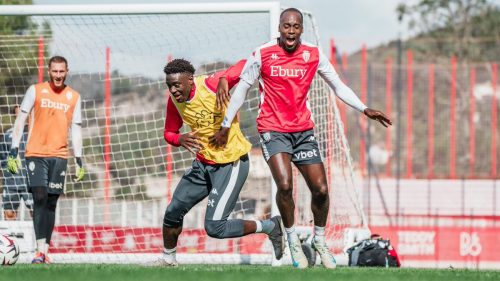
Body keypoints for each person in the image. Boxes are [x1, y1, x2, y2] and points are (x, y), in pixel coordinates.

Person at [211, 8, 392, 269]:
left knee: (321, 190)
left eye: (296, 27)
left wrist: (364, 108)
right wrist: (226, 124)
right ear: (280, 28)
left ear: (301, 29)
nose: (291, 31)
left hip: (303, 132)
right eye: (287, 26)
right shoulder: (262, 54)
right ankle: (292, 238)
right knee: (284, 186)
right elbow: (242, 89)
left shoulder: (313, 55)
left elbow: (337, 85)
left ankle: (319, 239)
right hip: (272, 130)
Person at [155, 58, 285, 266]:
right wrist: (179, 139)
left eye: (177, 85)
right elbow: (169, 132)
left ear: (190, 80)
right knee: (172, 211)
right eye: (169, 86)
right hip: (203, 164)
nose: (173, 90)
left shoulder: (210, 84)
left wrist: (226, 78)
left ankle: (270, 227)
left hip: (231, 163)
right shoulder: (174, 102)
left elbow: (248, 63)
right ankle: (168, 260)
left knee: (215, 228)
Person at [6, 56, 85, 264]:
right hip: (35, 153)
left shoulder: (74, 97)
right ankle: (39, 251)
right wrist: (14, 150)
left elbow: (76, 129)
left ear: (67, 71)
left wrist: (79, 159)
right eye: (54, 71)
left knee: (51, 202)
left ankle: (45, 251)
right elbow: (21, 118)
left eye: (62, 72)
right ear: (48, 71)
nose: (58, 75)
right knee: (39, 198)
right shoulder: (35, 90)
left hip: (59, 156)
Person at [1, 105, 33, 220]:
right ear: (14, 115)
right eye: (18, 113)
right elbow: (2, 158)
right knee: (9, 214)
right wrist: (8, 171)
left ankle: (37, 237)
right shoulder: (7, 135)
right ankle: (11, 238)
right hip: (12, 183)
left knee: (36, 213)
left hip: (31, 182)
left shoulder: (34, 133)